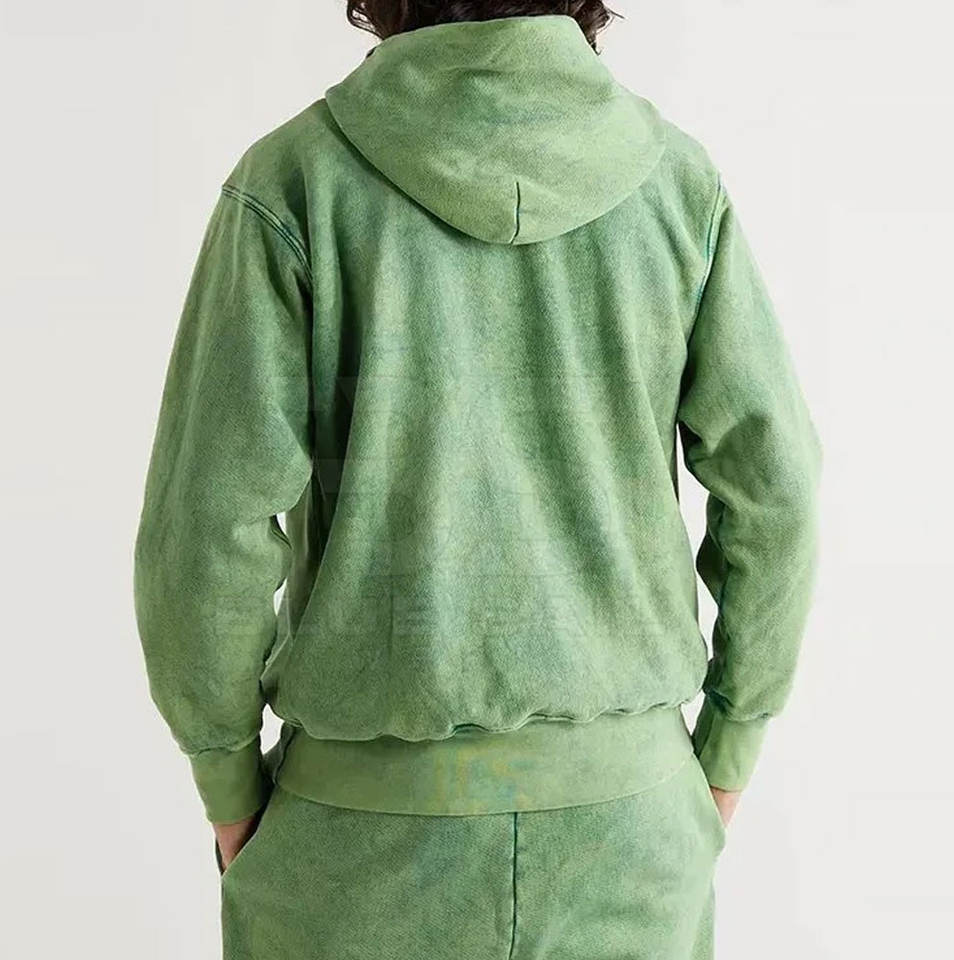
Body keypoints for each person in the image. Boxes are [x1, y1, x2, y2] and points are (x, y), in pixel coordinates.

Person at [133, 3, 820, 958]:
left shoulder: (295, 182)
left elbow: (207, 530)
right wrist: (727, 751)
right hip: (630, 832)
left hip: (355, 843)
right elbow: (776, 492)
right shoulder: (676, 185)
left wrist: (227, 782)